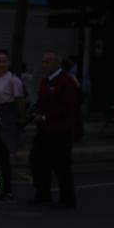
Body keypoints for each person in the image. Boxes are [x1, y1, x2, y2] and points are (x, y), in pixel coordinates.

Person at [29, 52, 78, 208]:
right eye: (43, 62)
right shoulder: (45, 81)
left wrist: (45, 117)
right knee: (37, 160)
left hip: (60, 130)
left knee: (61, 164)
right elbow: (42, 101)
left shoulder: (66, 81)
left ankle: (67, 198)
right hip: (44, 130)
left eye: (48, 62)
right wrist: (35, 111)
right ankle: (43, 193)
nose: (44, 65)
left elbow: (67, 107)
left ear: (57, 64)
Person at [0, 49, 24, 201]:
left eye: (3, 61)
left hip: (6, 119)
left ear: (8, 63)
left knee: (4, 157)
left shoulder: (13, 80)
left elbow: (19, 101)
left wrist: (18, 120)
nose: (0, 64)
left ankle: (8, 190)